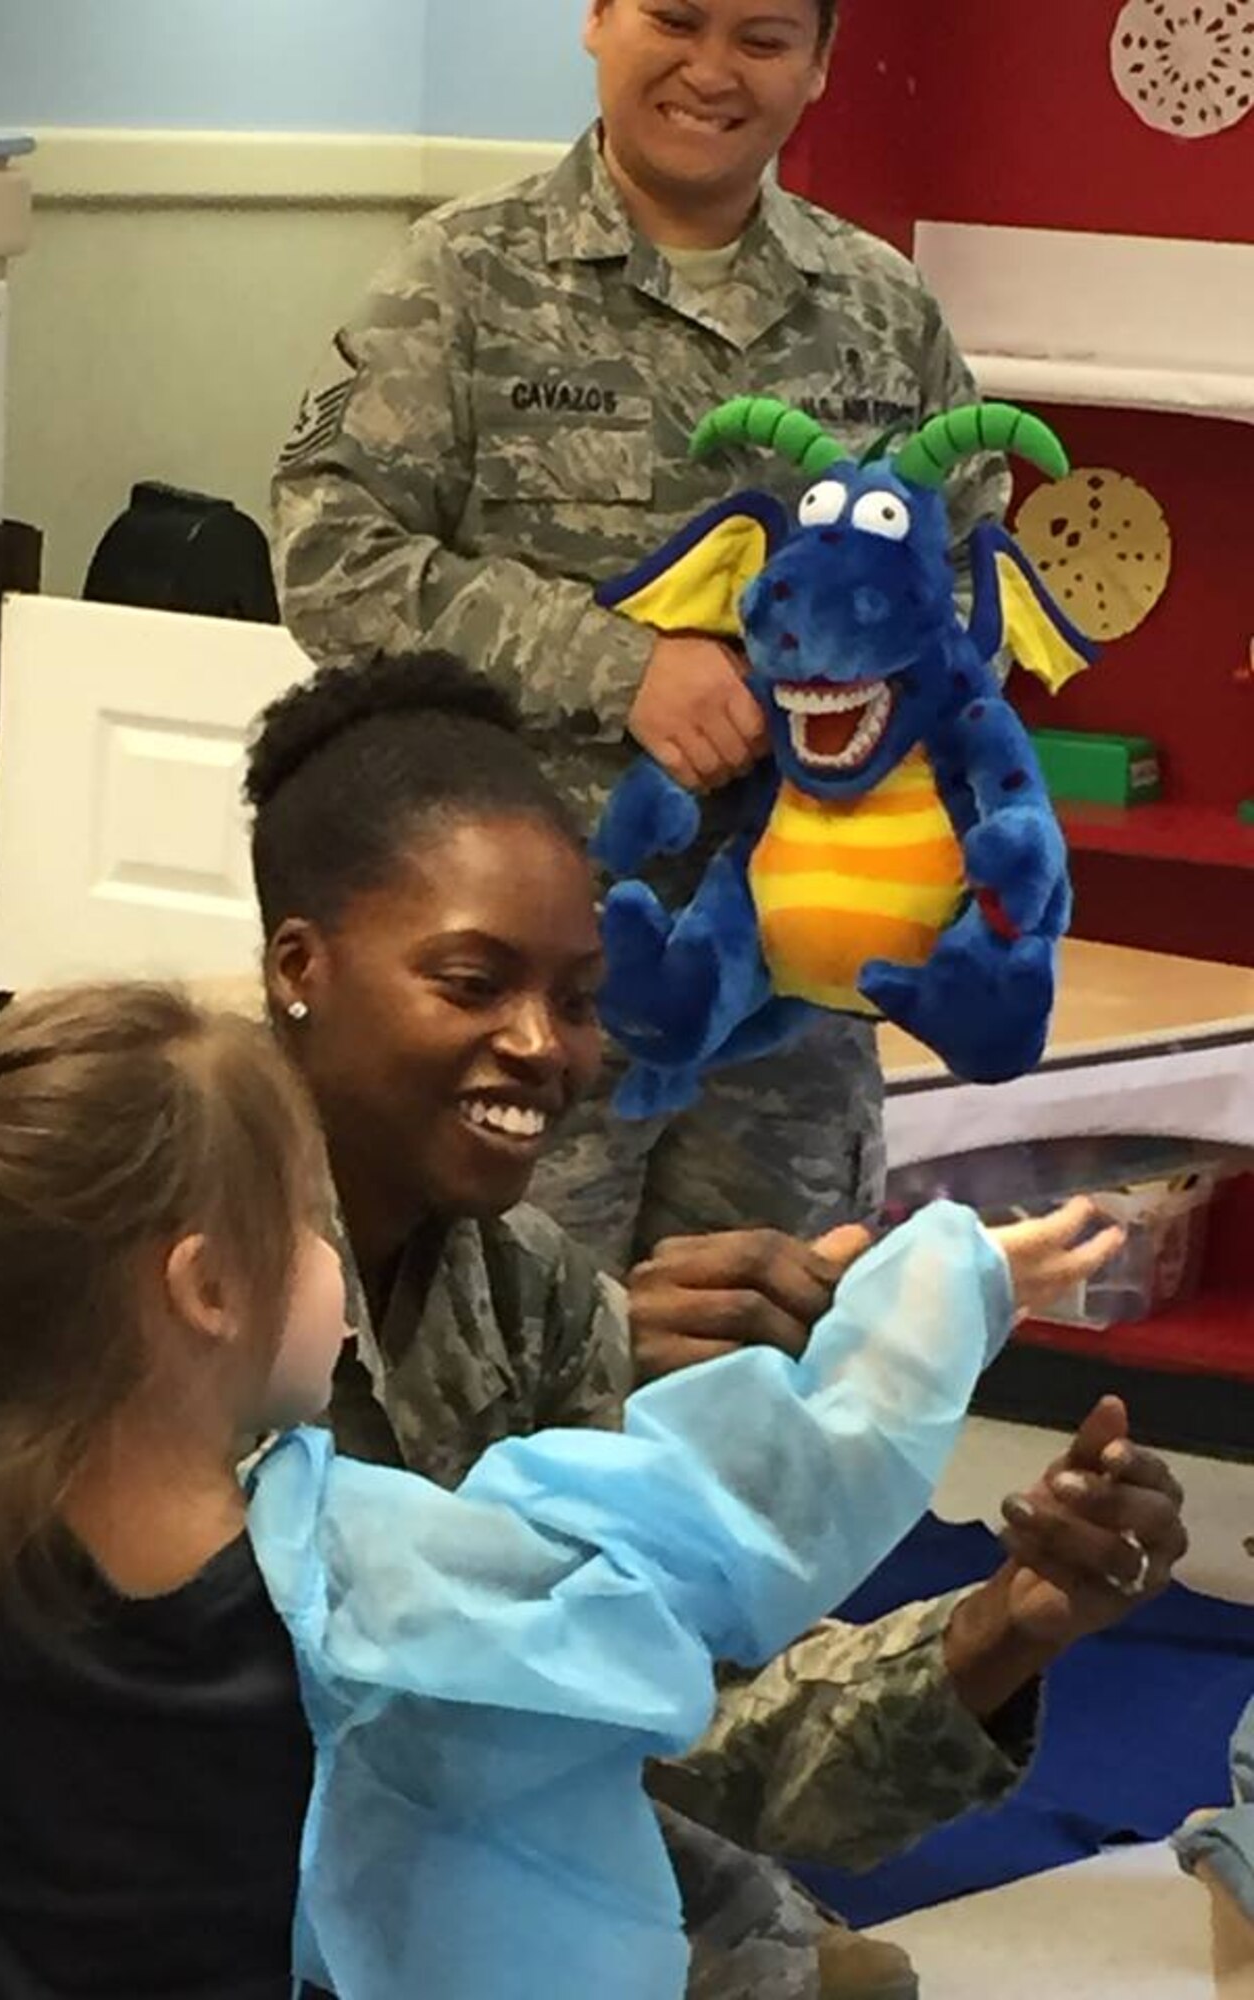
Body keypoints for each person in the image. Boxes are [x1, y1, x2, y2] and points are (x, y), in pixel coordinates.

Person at [0, 984, 1097, 2000]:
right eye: (301, 1219)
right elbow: (730, 1512)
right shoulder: (363, 1592)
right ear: (208, 1288)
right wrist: (939, 1297)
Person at [244, 651, 1190, 1999]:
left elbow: (657, 1726)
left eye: (575, 1000)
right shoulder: (177, 1260)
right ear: (301, 966)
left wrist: (1005, 1629)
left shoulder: (535, 1298)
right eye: (470, 982)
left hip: (454, 1876)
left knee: (831, 1973)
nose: (540, 1047)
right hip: (209, 1887)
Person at [271, 0, 1011, 1275]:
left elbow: (972, 594)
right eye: (675, 19)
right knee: (499, 1370)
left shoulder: (884, 311)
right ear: (600, 22)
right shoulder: (464, 277)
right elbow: (333, 557)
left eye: (765, 39)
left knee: (767, 1369)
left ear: (822, 64)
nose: (712, 70)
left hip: (796, 974)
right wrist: (621, 668)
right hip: (526, 982)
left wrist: (869, 714)